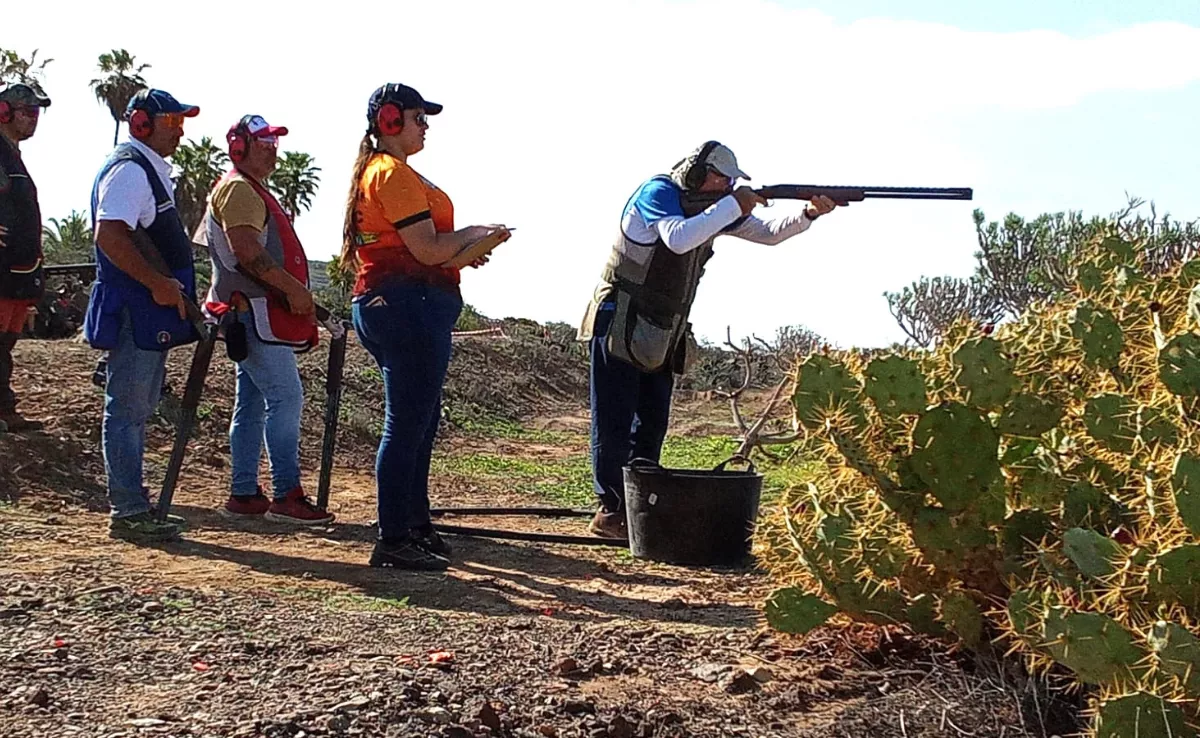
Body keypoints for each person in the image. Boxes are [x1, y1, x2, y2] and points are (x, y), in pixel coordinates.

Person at [577, 141, 838, 538]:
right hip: (621, 318)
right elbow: (678, 238)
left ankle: (639, 504)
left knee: (651, 420)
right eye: (722, 178)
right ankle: (611, 509)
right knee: (613, 419)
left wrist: (808, 213)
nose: (727, 185)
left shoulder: (711, 209)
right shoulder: (659, 193)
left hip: (664, 326)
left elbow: (767, 234)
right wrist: (735, 204)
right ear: (698, 175)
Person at [341, 82, 509, 569]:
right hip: (404, 306)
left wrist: (460, 251)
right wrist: (478, 236)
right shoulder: (391, 175)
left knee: (420, 420)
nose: (426, 126)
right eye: (418, 117)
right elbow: (428, 250)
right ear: (391, 121)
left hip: (400, 302)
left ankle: (413, 525)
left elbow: (425, 248)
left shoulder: (388, 173)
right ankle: (394, 537)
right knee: (407, 423)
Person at [202, 114, 332, 524]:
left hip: (252, 311)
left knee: (253, 403)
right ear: (240, 147)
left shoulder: (246, 188)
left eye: (273, 141)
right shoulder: (240, 190)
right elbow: (247, 253)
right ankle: (286, 495)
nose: (272, 149)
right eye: (263, 142)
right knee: (285, 399)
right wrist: (294, 291)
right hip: (254, 312)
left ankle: (244, 493)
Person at [83, 88, 201, 543]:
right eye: (172, 122)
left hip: (146, 308)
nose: (180, 130)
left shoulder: (142, 170)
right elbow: (110, 234)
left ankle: (133, 505)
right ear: (142, 124)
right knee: (128, 409)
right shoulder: (131, 172)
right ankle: (128, 509)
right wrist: (156, 283)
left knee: (136, 408)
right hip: (137, 307)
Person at [0, 83, 51, 434]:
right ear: (4, 112)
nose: (33, 118)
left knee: (6, 341)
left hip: (20, 267)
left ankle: (4, 407)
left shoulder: (13, 156)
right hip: (3, 267)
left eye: (36, 112)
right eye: (25, 111)